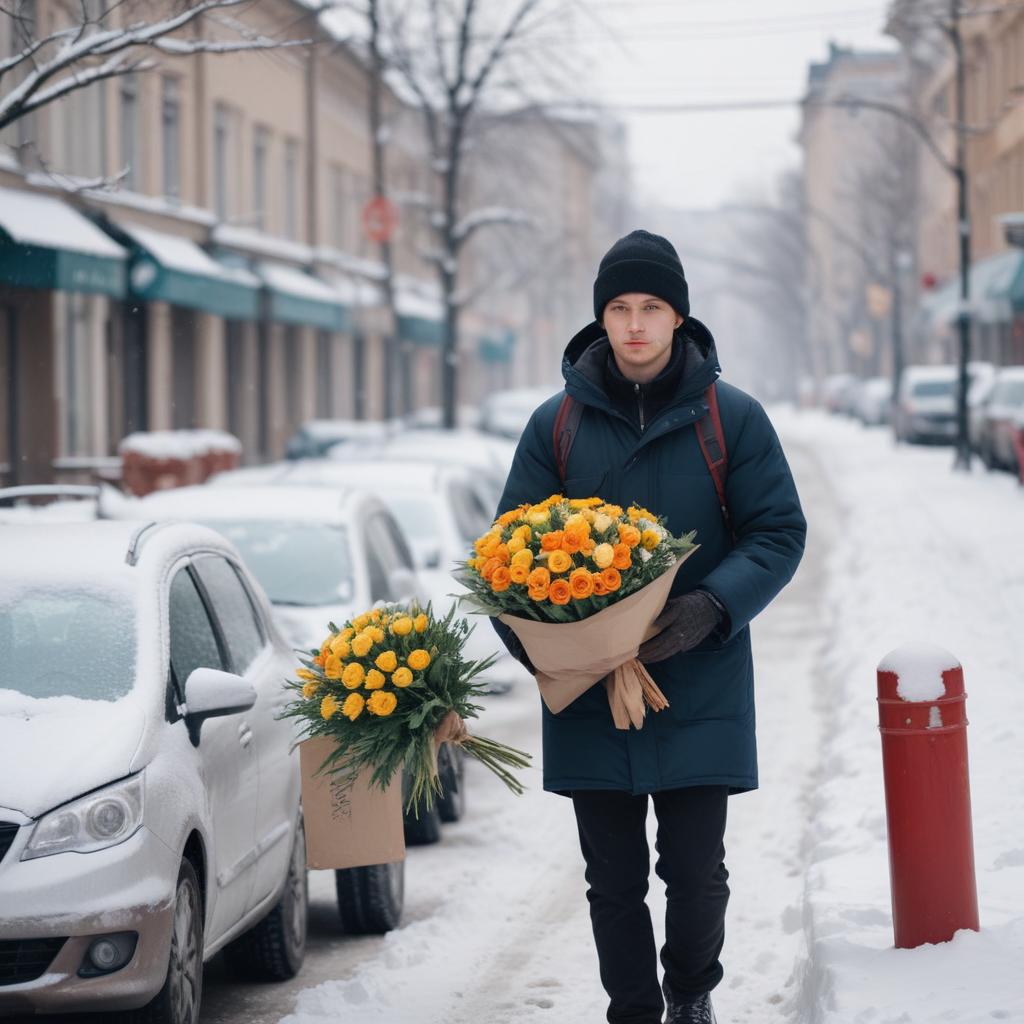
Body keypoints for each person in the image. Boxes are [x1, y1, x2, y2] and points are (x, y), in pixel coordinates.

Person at [491, 229, 807, 1024]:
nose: (634, 324)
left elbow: (779, 531)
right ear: (601, 319)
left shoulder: (731, 420)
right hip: (592, 691)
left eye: (651, 308)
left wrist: (713, 607)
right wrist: (553, 652)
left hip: (700, 679)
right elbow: (505, 556)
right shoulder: (555, 426)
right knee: (613, 879)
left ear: (678, 318)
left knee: (697, 873)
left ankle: (692, 989)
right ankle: (631, 1010)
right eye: (620, 308)